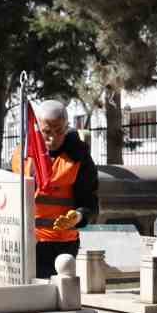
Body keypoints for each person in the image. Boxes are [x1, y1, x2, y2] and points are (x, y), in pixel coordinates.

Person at [16, 100, 99, 278]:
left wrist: (77, 216)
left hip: (63, 246)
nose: (52, 138)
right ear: (37, 127)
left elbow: (91, 204)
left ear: (67, 127)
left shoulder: (78, 158)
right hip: (27, 242)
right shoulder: (21, 155)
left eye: (59, 131)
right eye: (46, 132)